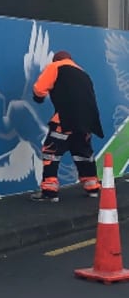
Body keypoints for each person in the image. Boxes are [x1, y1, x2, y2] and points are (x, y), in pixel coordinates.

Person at [30, 50, 104, 201]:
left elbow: (39, 89)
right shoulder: (83, 73)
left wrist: (38, 98)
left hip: (64, 121)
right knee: (83, 154)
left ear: (55, 60)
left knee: (51, 152)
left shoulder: (56, 67)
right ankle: (92, 188)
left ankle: (50, 191)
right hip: (86, 124)